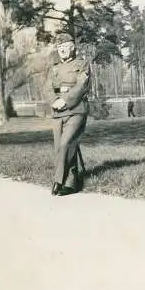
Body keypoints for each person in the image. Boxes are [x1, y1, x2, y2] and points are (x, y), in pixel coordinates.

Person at [49, 33, 91, 197]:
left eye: (65, 46)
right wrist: (53, 100)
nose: (62, 50)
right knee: (62, 147)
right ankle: (71, 184)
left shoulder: (82, 64)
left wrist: (65, 100)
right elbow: (47, 88)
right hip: (57, 111)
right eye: (59, 47)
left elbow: (82, 86)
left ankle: (57, 181)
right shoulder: (54, 68)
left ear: (73, 48)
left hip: (76, 109)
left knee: (66, 144)